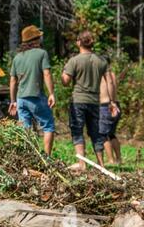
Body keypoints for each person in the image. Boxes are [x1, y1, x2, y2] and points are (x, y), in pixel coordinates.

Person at [61, 31, 118, 171]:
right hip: (94, 102)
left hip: (78, 101)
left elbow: (66, 82)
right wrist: (112, 102)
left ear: (79, 42)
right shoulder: (101, 61)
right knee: (95, 132)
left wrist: (63, 74)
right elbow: (110, 82)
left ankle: (82, 164)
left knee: (77, 130)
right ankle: (101, 164)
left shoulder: (74, 61)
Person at [8, 25, 56, 155]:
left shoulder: (17, 57)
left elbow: (13, 80)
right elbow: (47, 74)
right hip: (36, 96)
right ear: (35, 39)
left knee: (25, 130)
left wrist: (13, 101)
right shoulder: (42, 53)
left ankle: (28, 157)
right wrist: (51, 93)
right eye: (39, 37)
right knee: (48, 126)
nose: (41, 39)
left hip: (21, 99)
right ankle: (46, 159)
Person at [99, 55, 122, 164]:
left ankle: (111, 160)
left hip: (106, 106)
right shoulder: (113, 74)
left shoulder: (102, 75)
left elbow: (109, 85)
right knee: (111, 134)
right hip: (116, 105)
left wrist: (111, 102)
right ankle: (118, 159)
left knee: (103, 135)